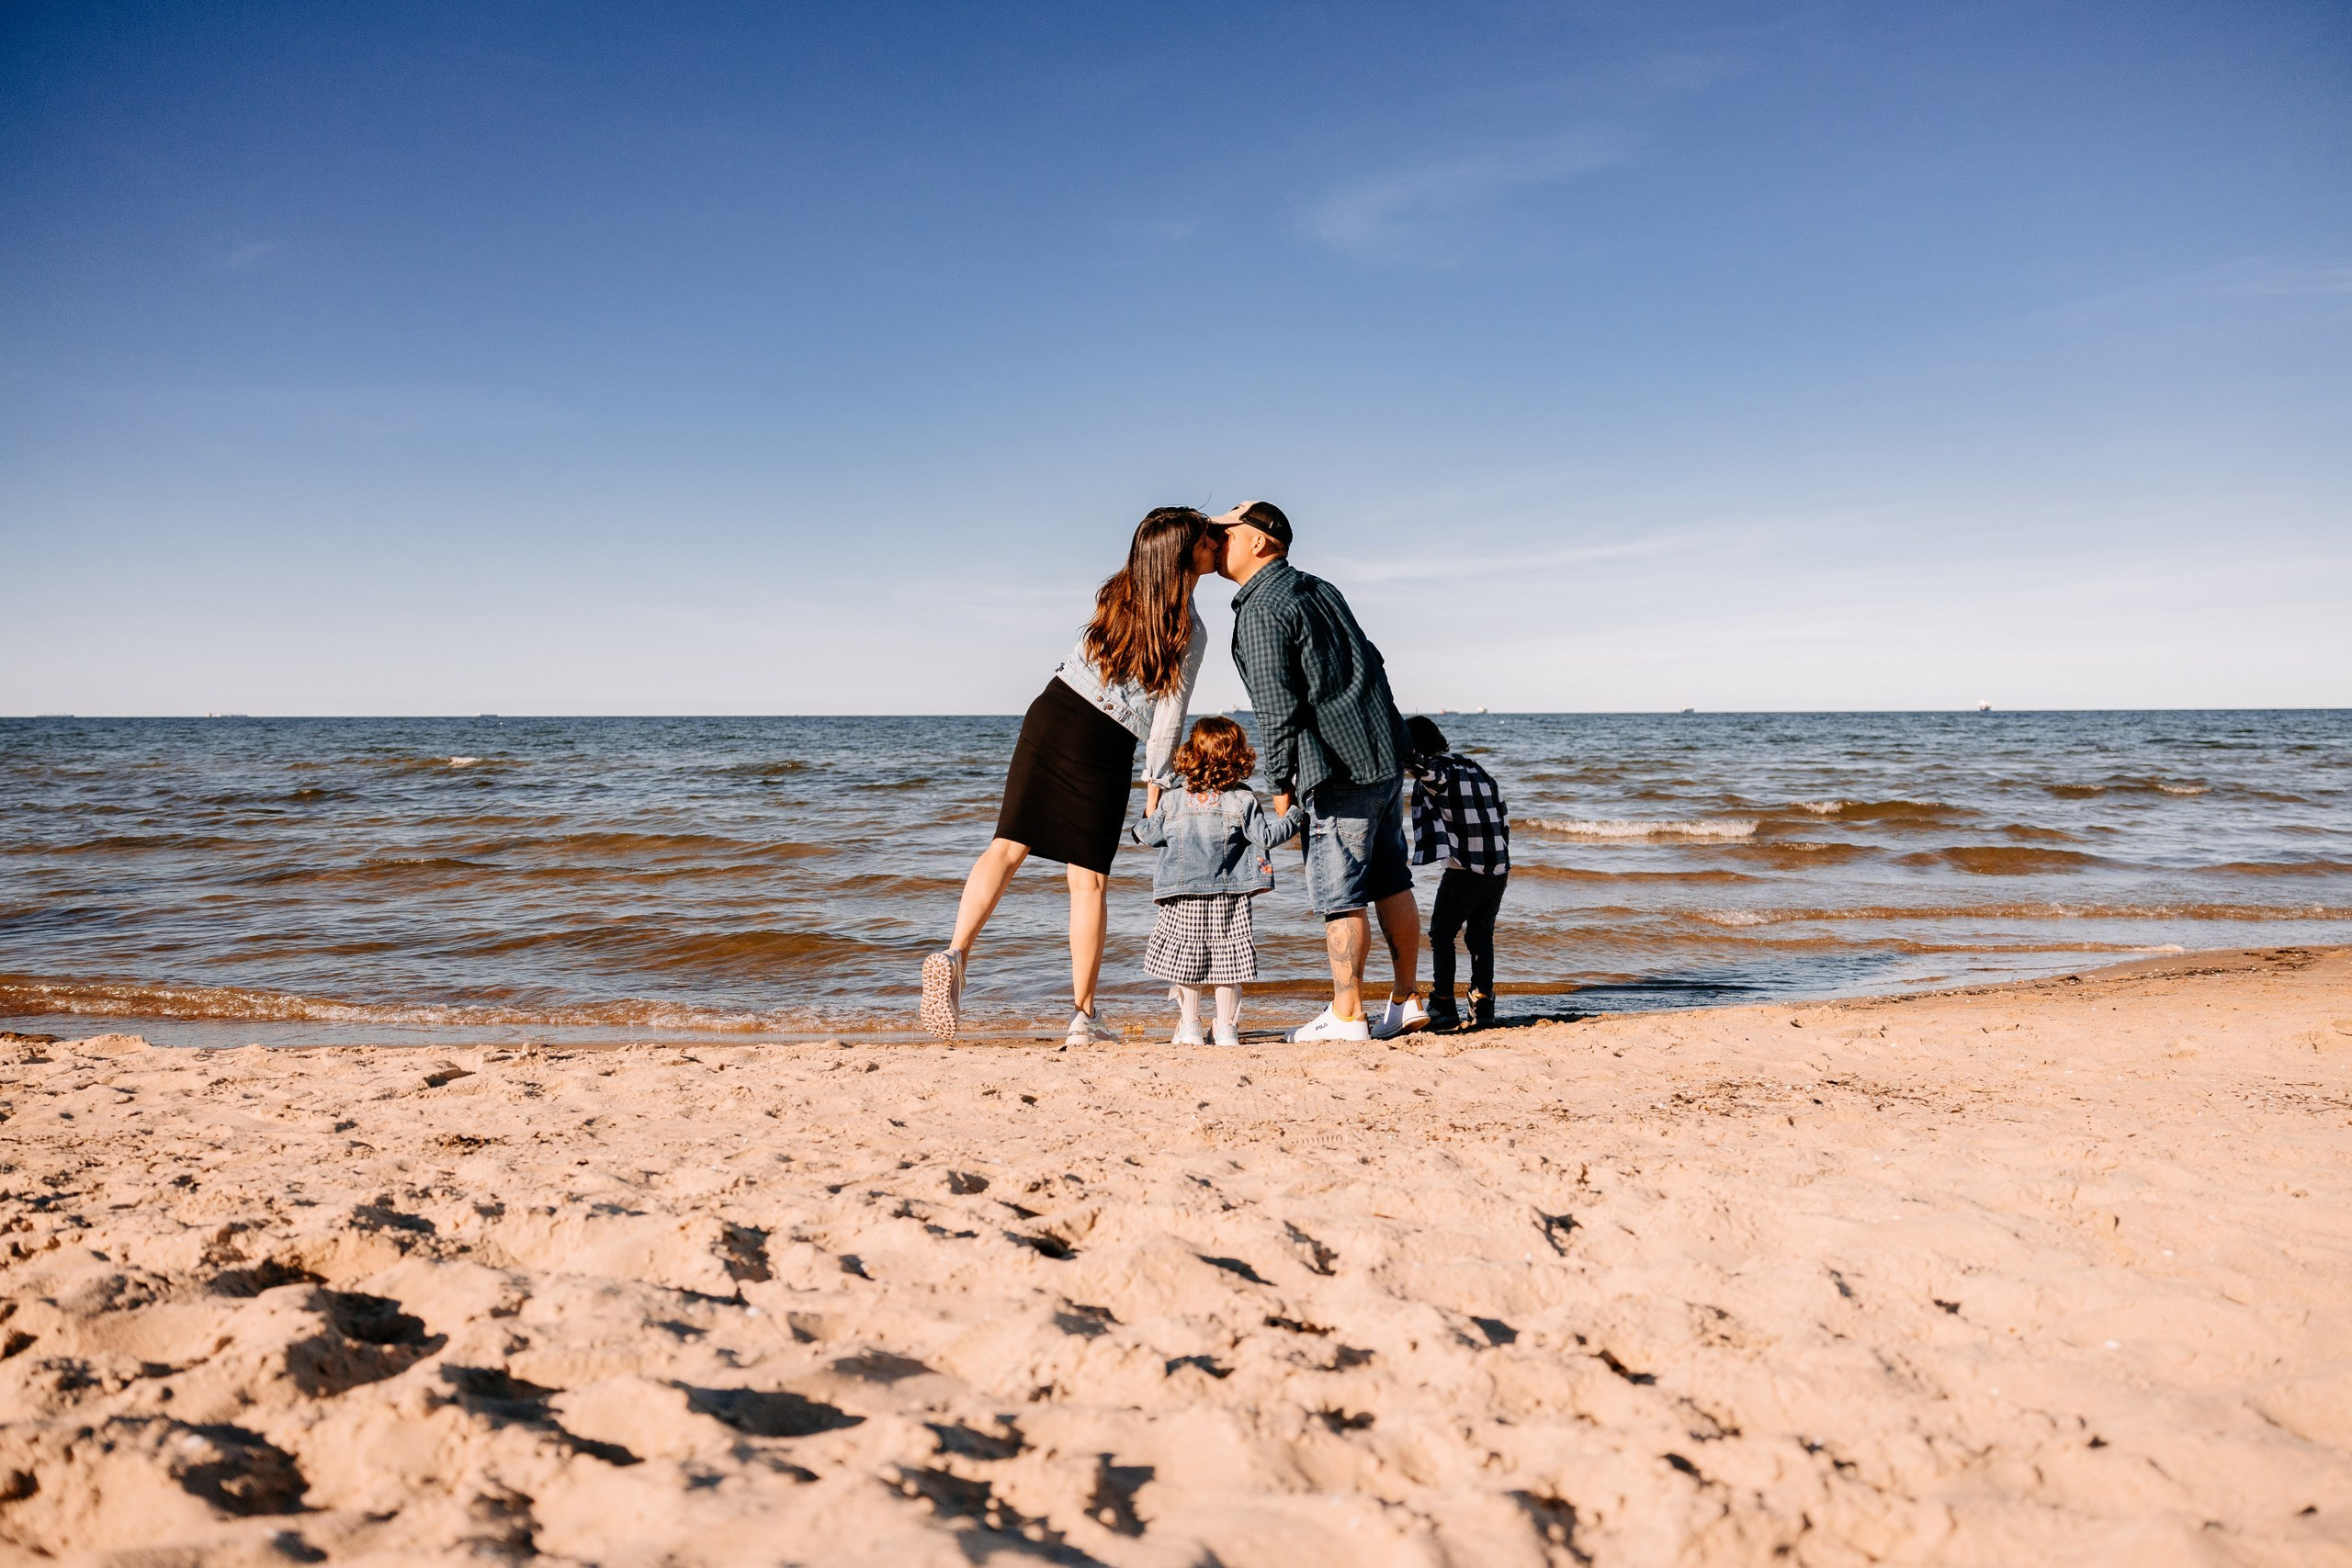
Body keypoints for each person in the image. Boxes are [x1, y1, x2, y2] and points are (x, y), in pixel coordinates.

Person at [922, 507, 1217, 1045]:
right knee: (1089, 881)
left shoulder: (1120, 591)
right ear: (1182, 555)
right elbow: (1168, 718)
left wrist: (1192, 522)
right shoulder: (1189, 628)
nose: (1215, 545)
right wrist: (1157, 790)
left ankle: (954, 953)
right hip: (1105, 740)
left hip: (1053, 711)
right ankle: (1083, 1015)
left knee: (1006, 846)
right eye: (1206, 540)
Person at [1211, 500, 1427, 1043]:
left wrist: (1279, 785)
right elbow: (1371, 659)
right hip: (1378, 758)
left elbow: (1275, 707)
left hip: (1332, 769)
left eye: (1226, 532)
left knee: (1341, 894)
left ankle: (1348, 1013)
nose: (1217, 542)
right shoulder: (1320, 587)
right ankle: (1406, 999)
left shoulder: (1260, 609)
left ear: (1259, 541)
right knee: (1390, 881)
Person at [1130, 716, 1306, 1046]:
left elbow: (1147, 836)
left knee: (1188, 958)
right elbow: (1266, 837)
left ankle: (1191, 1025)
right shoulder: (1243, 800)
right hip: (1231, 894)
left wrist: (1151, 801)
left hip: (1182, 894)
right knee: (1230, 960)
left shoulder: (1173, 799)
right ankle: (1226, 1028)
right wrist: (1295, 814)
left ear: (1190, 754)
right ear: (1238, 756)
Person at [1405, 715, 1511, 1032]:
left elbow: (1423, 768)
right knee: (1480, 936)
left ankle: (1443, 1003)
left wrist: (1398, 746)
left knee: (1441, 934)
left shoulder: (1442, 773)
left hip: (1466, 868)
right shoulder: (1472, 766)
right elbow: (1500, 811)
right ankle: (1483, 1003)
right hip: (1498, 868)